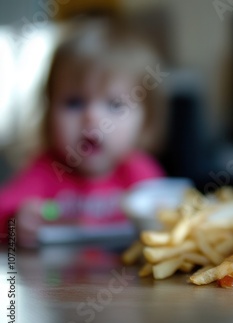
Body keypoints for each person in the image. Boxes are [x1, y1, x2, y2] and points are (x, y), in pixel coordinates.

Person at [0, 16, 168, 247]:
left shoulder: (140, 174)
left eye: (114, 105)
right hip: (52, 280)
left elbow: (167, 220)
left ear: (146, 120)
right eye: (74, 103)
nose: (92, 117)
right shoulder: (44, 172)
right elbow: (4, 211)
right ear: (49, 115)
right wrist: (15, 223)